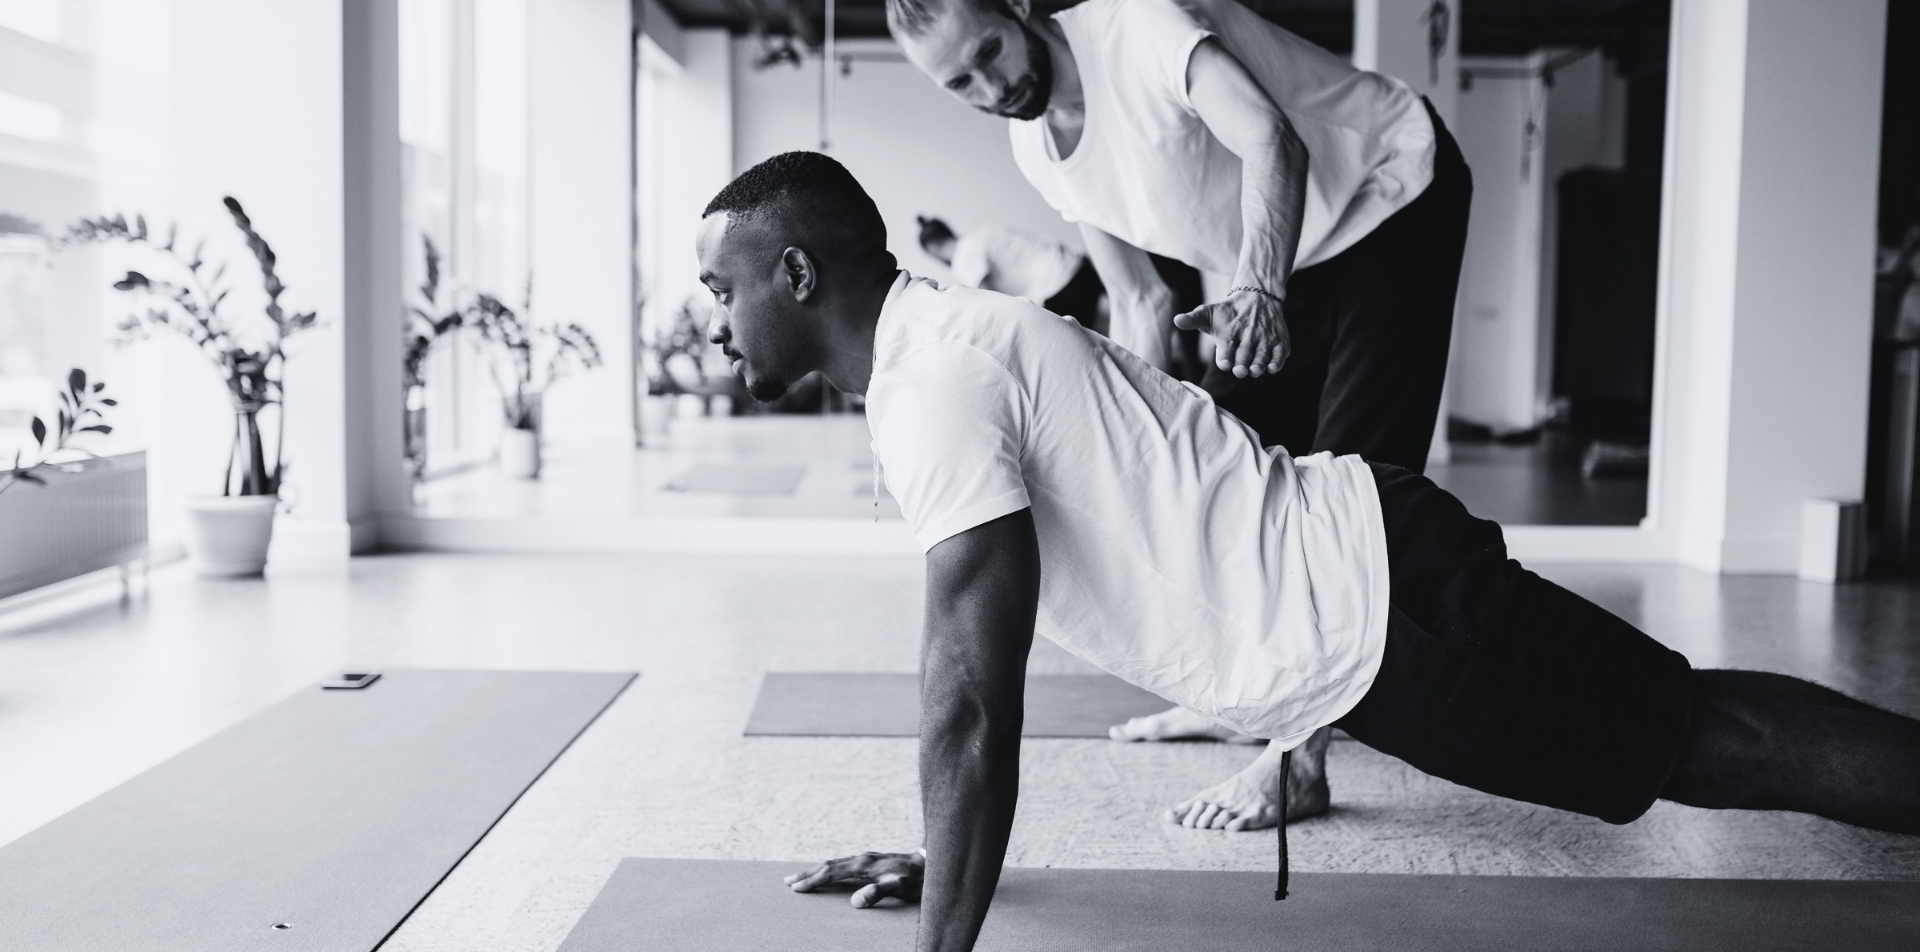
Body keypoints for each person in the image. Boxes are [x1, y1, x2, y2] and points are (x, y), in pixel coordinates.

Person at [696, 153, 1920, 952]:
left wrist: (943, 936)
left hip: (1384, 614)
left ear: (796, 272)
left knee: (1702, 741)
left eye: (721, 287)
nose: (713, 321)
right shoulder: (943, 349)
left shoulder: (934, 383)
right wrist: (953, 866)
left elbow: (969, 701)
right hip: (1371, 580)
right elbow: (970, 694)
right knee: (1693, 724)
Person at [887, 0, 1473, 826]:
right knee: (1219, 468)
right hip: (1294, 251)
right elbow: (1140, 301)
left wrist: (1259, 290)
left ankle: (1298, 763)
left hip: (1392, 188)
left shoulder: (1138, 27)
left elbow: (1273, 140)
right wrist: (1136, 457)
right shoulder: (1037, 148)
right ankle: (1252, 699)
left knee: (1351, 486)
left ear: (1018, 8)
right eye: (960, 83)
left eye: (989, 51)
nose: (991, 87)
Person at [914, 215, 1106, 332]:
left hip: (1060, 289)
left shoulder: (962, 257)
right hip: (1079, 264)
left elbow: (988, 302)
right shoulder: (985, 231)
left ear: (933, 249)